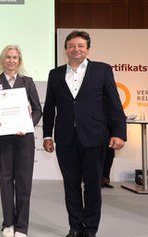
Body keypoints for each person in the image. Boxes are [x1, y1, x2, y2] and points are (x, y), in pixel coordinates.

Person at [42, 30, 127, 237]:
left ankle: (90, 229)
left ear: (87, 49)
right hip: (65, 139)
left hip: (95, 136)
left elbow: (115, 103)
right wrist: (47, 135)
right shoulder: (55, 74)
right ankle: (75, 227)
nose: (76, 49)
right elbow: (49, 107)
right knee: (70, 186)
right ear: (66, 50)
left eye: (80, 45)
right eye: (71, 45)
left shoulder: (102, 70)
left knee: (92, 186)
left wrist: (119, 132)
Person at [0, 45, 42, 237]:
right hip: (3, 139)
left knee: (24, 183)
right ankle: (8, 224)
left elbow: (37, 109)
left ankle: (21, 227)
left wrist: (28, 124)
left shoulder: (27, 82)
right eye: (8, 57)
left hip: (24, 139)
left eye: (15, 57)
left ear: (19, 61)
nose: (11, 61)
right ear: (3, 60)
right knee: (6, 181)